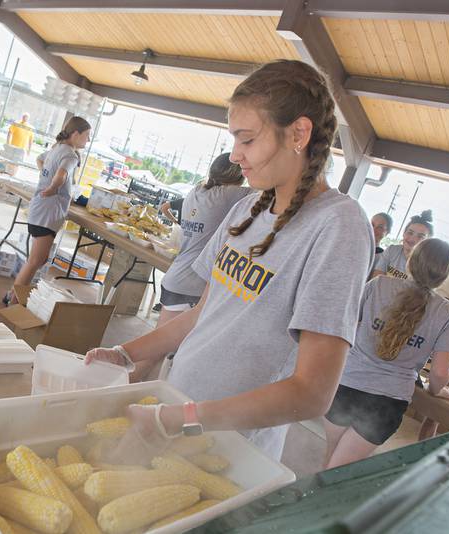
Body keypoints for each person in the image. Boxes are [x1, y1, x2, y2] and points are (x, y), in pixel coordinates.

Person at [85, 59, 374, 462]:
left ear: (299, 133)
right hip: (178, 407)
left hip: (230, 445)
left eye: (248, 140)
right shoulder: (247, 210)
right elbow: (203, 313)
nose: (235, 155)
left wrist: (183, 417)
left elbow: (312, 393)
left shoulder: (339, 226)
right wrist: (126, 353)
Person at [322, 239, 449, 468]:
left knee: (329, 460)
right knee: (336, 471)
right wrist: (437, 390)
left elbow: (342, 328)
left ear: (411, 261)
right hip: (387, 400)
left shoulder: (378, 285)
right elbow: (439, 373)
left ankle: (304, 499)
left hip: (346, 384)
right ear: (445, 275)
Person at [156, 153, 251, 328]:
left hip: (176, 276)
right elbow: (270, 191)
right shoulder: (229, 195)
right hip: (193, 285)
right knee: (169, 350)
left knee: (159, 346)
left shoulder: (196, 192)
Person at [5, 116, 91, 305]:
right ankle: (13, 300)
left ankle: (13, 294)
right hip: (47, 211)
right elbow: (62, 174)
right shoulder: (70, 154)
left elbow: (40, 160)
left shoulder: (56, 148)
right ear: (76, 134)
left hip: (41, 210)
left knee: (38, 259)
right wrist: (52, 187)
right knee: (36, 260)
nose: (88, 140)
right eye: (86, 135)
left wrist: (46, 177)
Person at [371, 210, 433, 280]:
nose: (412, 239)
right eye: (410, 232)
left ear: (427, 242)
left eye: (420, 236)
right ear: (403, 233)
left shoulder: (426, 266)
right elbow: (376, 280)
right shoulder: (391, 250)